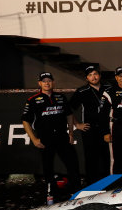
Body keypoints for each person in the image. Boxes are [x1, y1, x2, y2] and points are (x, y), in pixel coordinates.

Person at [22, 72, 80, 200]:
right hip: (45, 139)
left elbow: (69, 115)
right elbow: (25, 121)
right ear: (40, 83)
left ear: (53, 82)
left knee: (72, 164)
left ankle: (75, 191)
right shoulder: (32, 100)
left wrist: (70, 133)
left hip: (62, 137)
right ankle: (51, 193)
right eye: (44, 81)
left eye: (49, 80)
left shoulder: (61, 97)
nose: (47, 83)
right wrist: (34, 139)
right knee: (48, 167)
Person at [70, 65, 111, 185]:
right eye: (90, 75)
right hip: (90, 130)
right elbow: (68, 109)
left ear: (100, 75)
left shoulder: (109, 88)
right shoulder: (82, 91)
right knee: (91, 159)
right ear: (87, 78)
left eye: (95, 74)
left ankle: (108, 184)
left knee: (107, 157)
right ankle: (92, 186)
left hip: (107, 129)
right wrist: (77, 125)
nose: (93, 77)